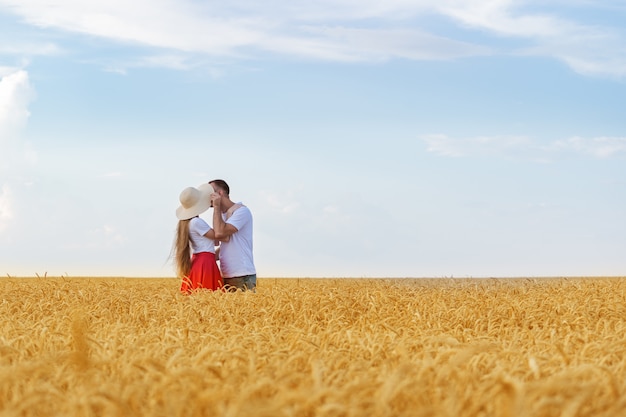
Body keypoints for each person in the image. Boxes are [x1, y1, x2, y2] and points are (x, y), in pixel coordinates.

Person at [173, 183, 225, 293]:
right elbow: (218, 235)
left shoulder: (188, 223)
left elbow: (214, 240)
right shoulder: (197, 222)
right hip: (206, 262)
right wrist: (217, 207)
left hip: (198, 261)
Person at [209, 179, 256, 291]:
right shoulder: (222, 215)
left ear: (220, 193)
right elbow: (227, 245)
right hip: (226, 274)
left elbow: (220, 232)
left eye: (210, 193)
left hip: (241, 274)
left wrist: (216, 207)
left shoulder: (241, 211)